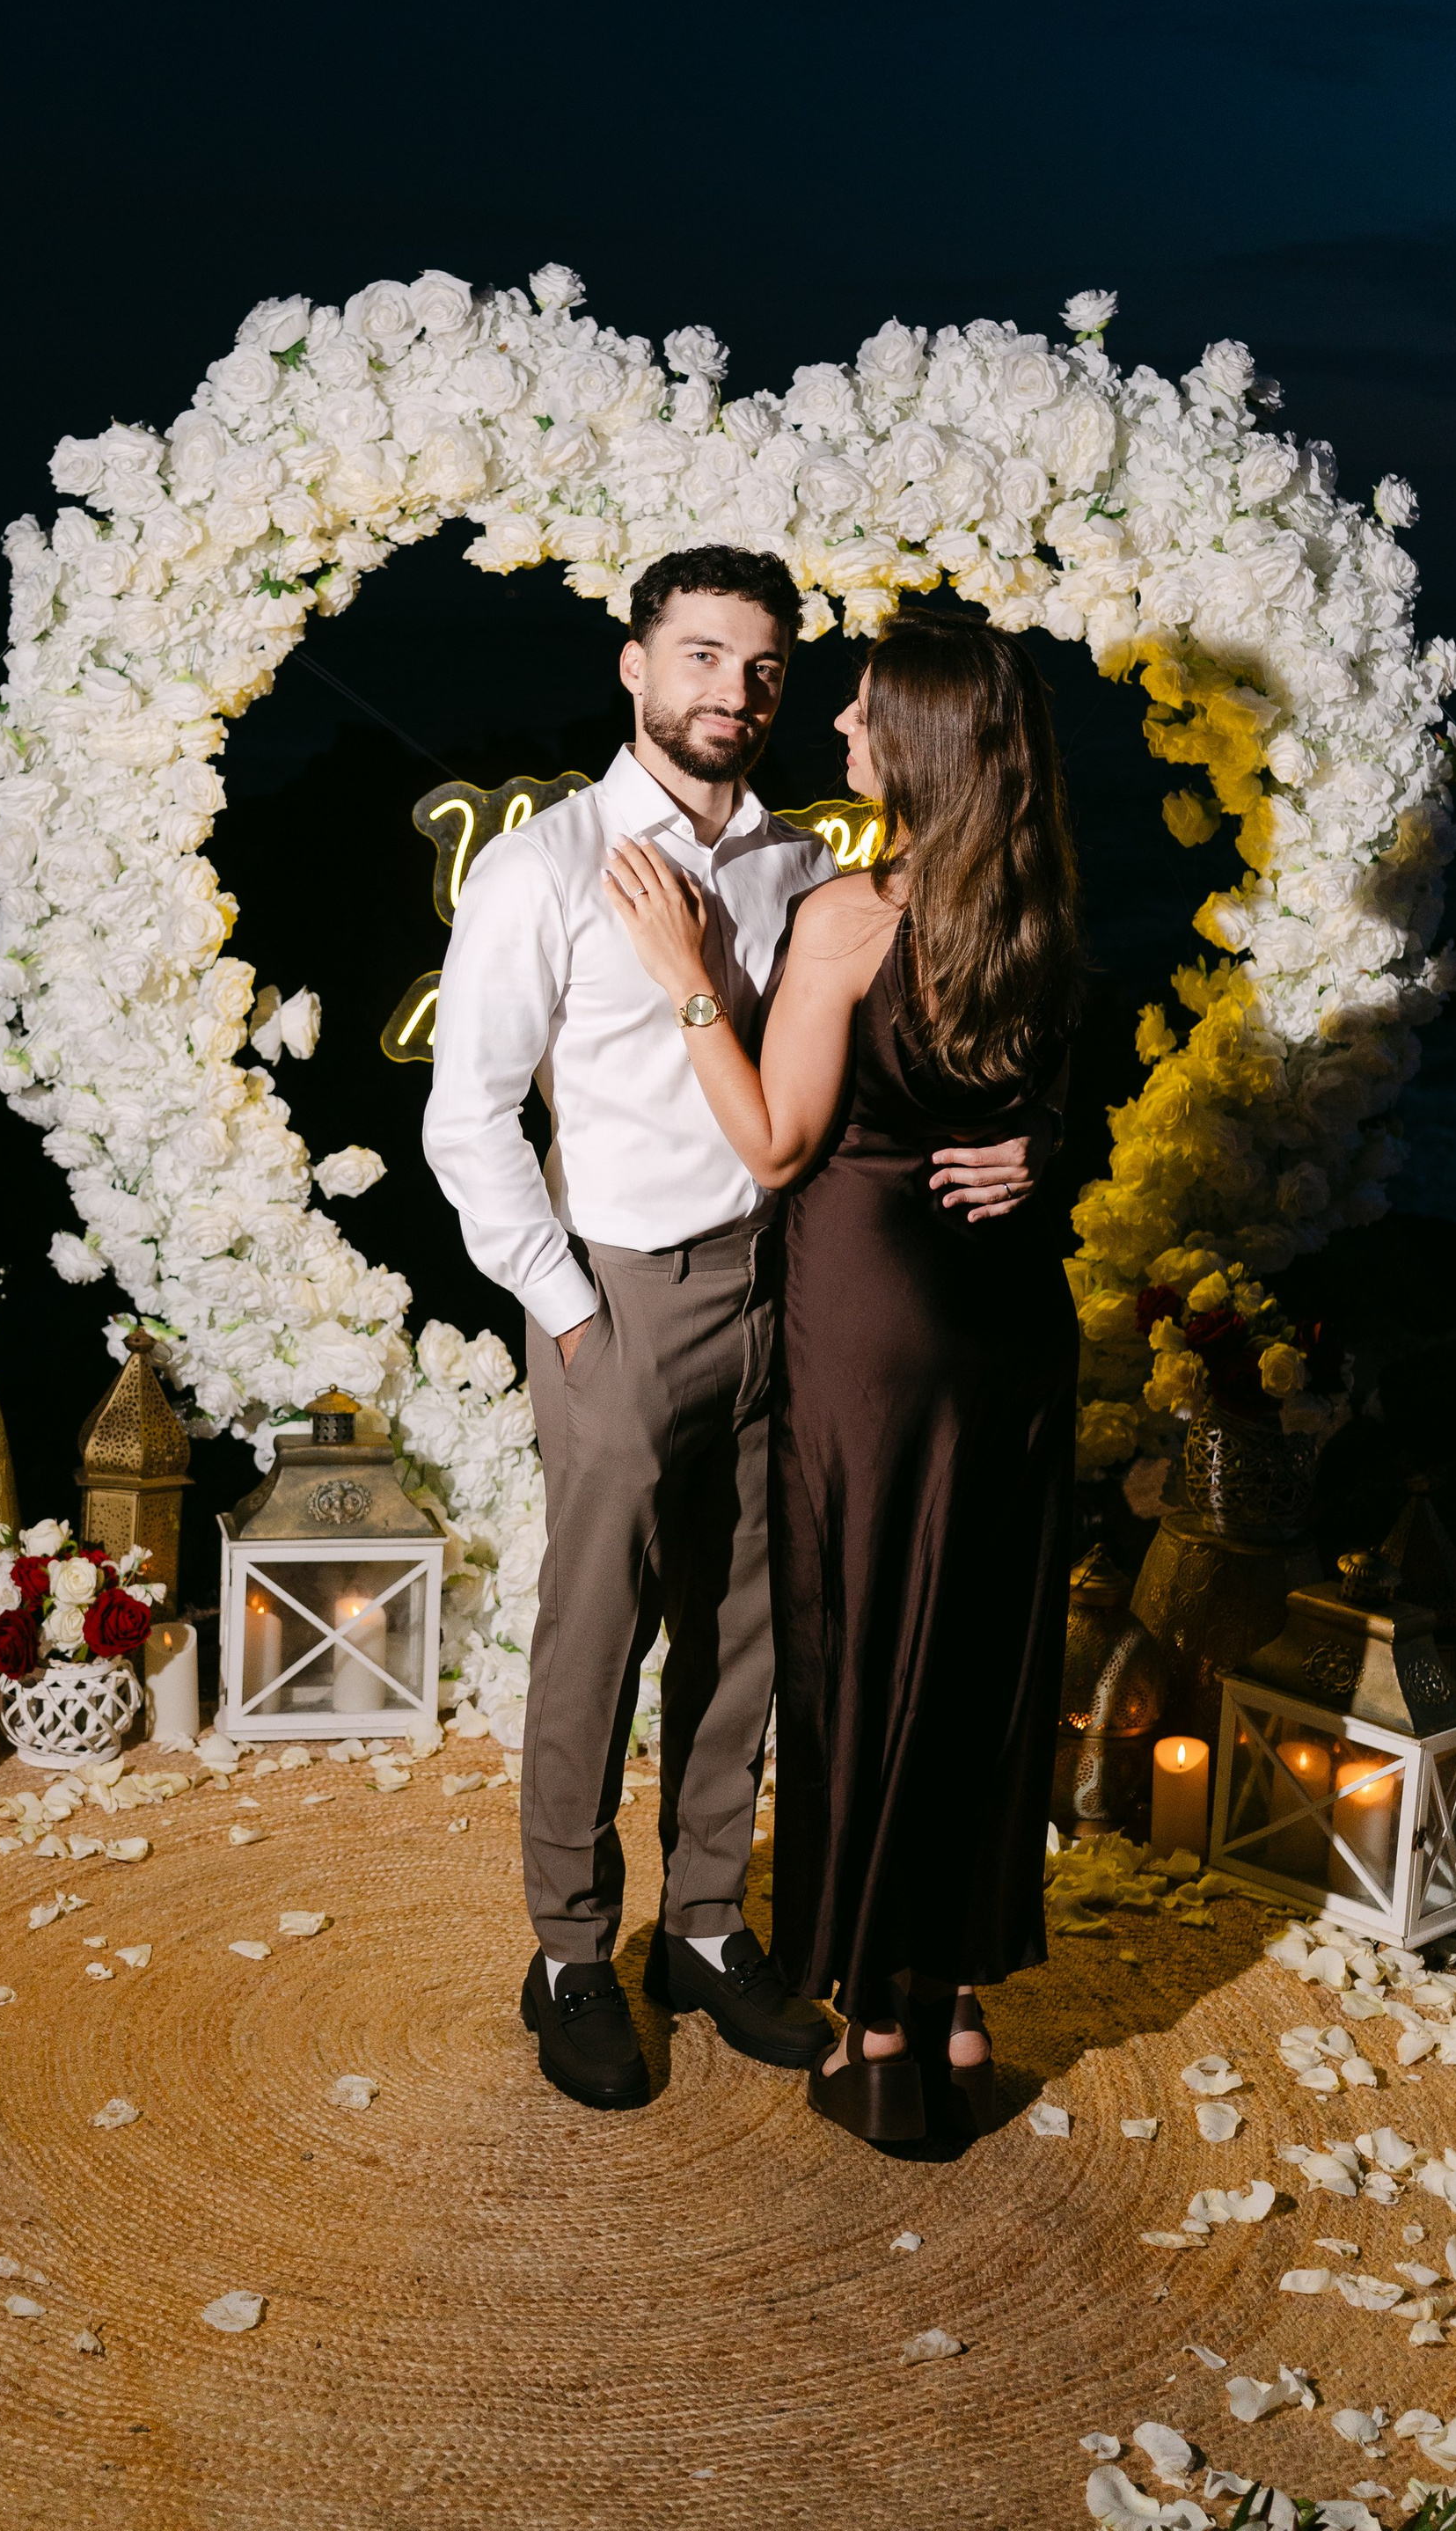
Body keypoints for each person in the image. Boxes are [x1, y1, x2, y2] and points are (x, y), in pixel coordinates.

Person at [423, 547, 1042, 2113]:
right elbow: (468, 1121)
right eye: (700, 657)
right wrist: (564, 1310)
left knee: (751, 1627)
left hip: (794, 1289)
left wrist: (1034, 1143)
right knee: (597, 1632)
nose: (735, 695)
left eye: (761, 669)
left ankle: (705, 1923)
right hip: (621, 1297)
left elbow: (885, 1064)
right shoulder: (547, 868)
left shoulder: (791, 868)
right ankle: (570, 1954)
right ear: (632, 666)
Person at [605, 607, 1081, 2147]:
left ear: (924, 746)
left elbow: (775, 1145)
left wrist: (685, 973)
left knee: (862, 1633)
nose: (838, 730)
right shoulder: (1041, 911)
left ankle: (875, 2016)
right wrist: (1051, 1156)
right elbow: (1058, 1098)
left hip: (870, 1321)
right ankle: (952, 2001)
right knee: (978, 1650)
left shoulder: (851, 916)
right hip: (1011, 1330)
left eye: (865, 712)